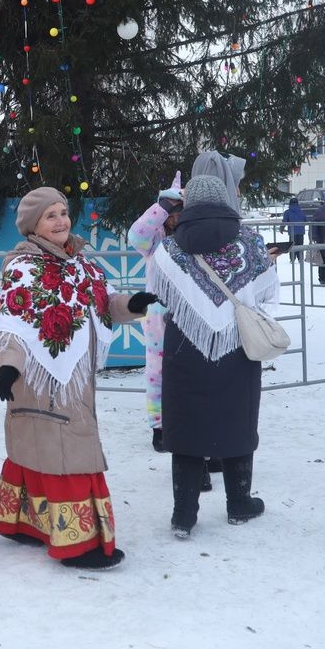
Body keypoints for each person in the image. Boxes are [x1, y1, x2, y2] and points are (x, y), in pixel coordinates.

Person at [0, 187, 155, 570]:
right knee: (65, 445)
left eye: (63, 212)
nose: (61, 220)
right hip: (36, 375)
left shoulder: (82, 262)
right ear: (34, 225)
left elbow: (105, 301)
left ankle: (23, 522)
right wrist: (8, 367)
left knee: (44, 442)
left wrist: (132, 305)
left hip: (75, 373)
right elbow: (11, 323)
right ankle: (77, 543)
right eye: (51, 215)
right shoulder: (22, 267)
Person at [145, 176, 280, 539]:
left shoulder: (170, 249)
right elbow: (268, 294)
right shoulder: (251, 243)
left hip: (184, 345)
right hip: (238, 345)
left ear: (188, 206)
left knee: (186, 424)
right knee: (237, 416)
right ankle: (239, 503)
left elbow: (156, 293)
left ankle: (183, 514)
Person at [128, 170, 184, 454]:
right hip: (157, 316)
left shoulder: (192, 236)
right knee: (157, 372)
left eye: (179, 210)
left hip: (189, 315)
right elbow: (135, 236)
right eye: (172, 211)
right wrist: (162, 207)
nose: (176, 216)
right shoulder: (154, 240)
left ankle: (187, 422)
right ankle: (159, 427)